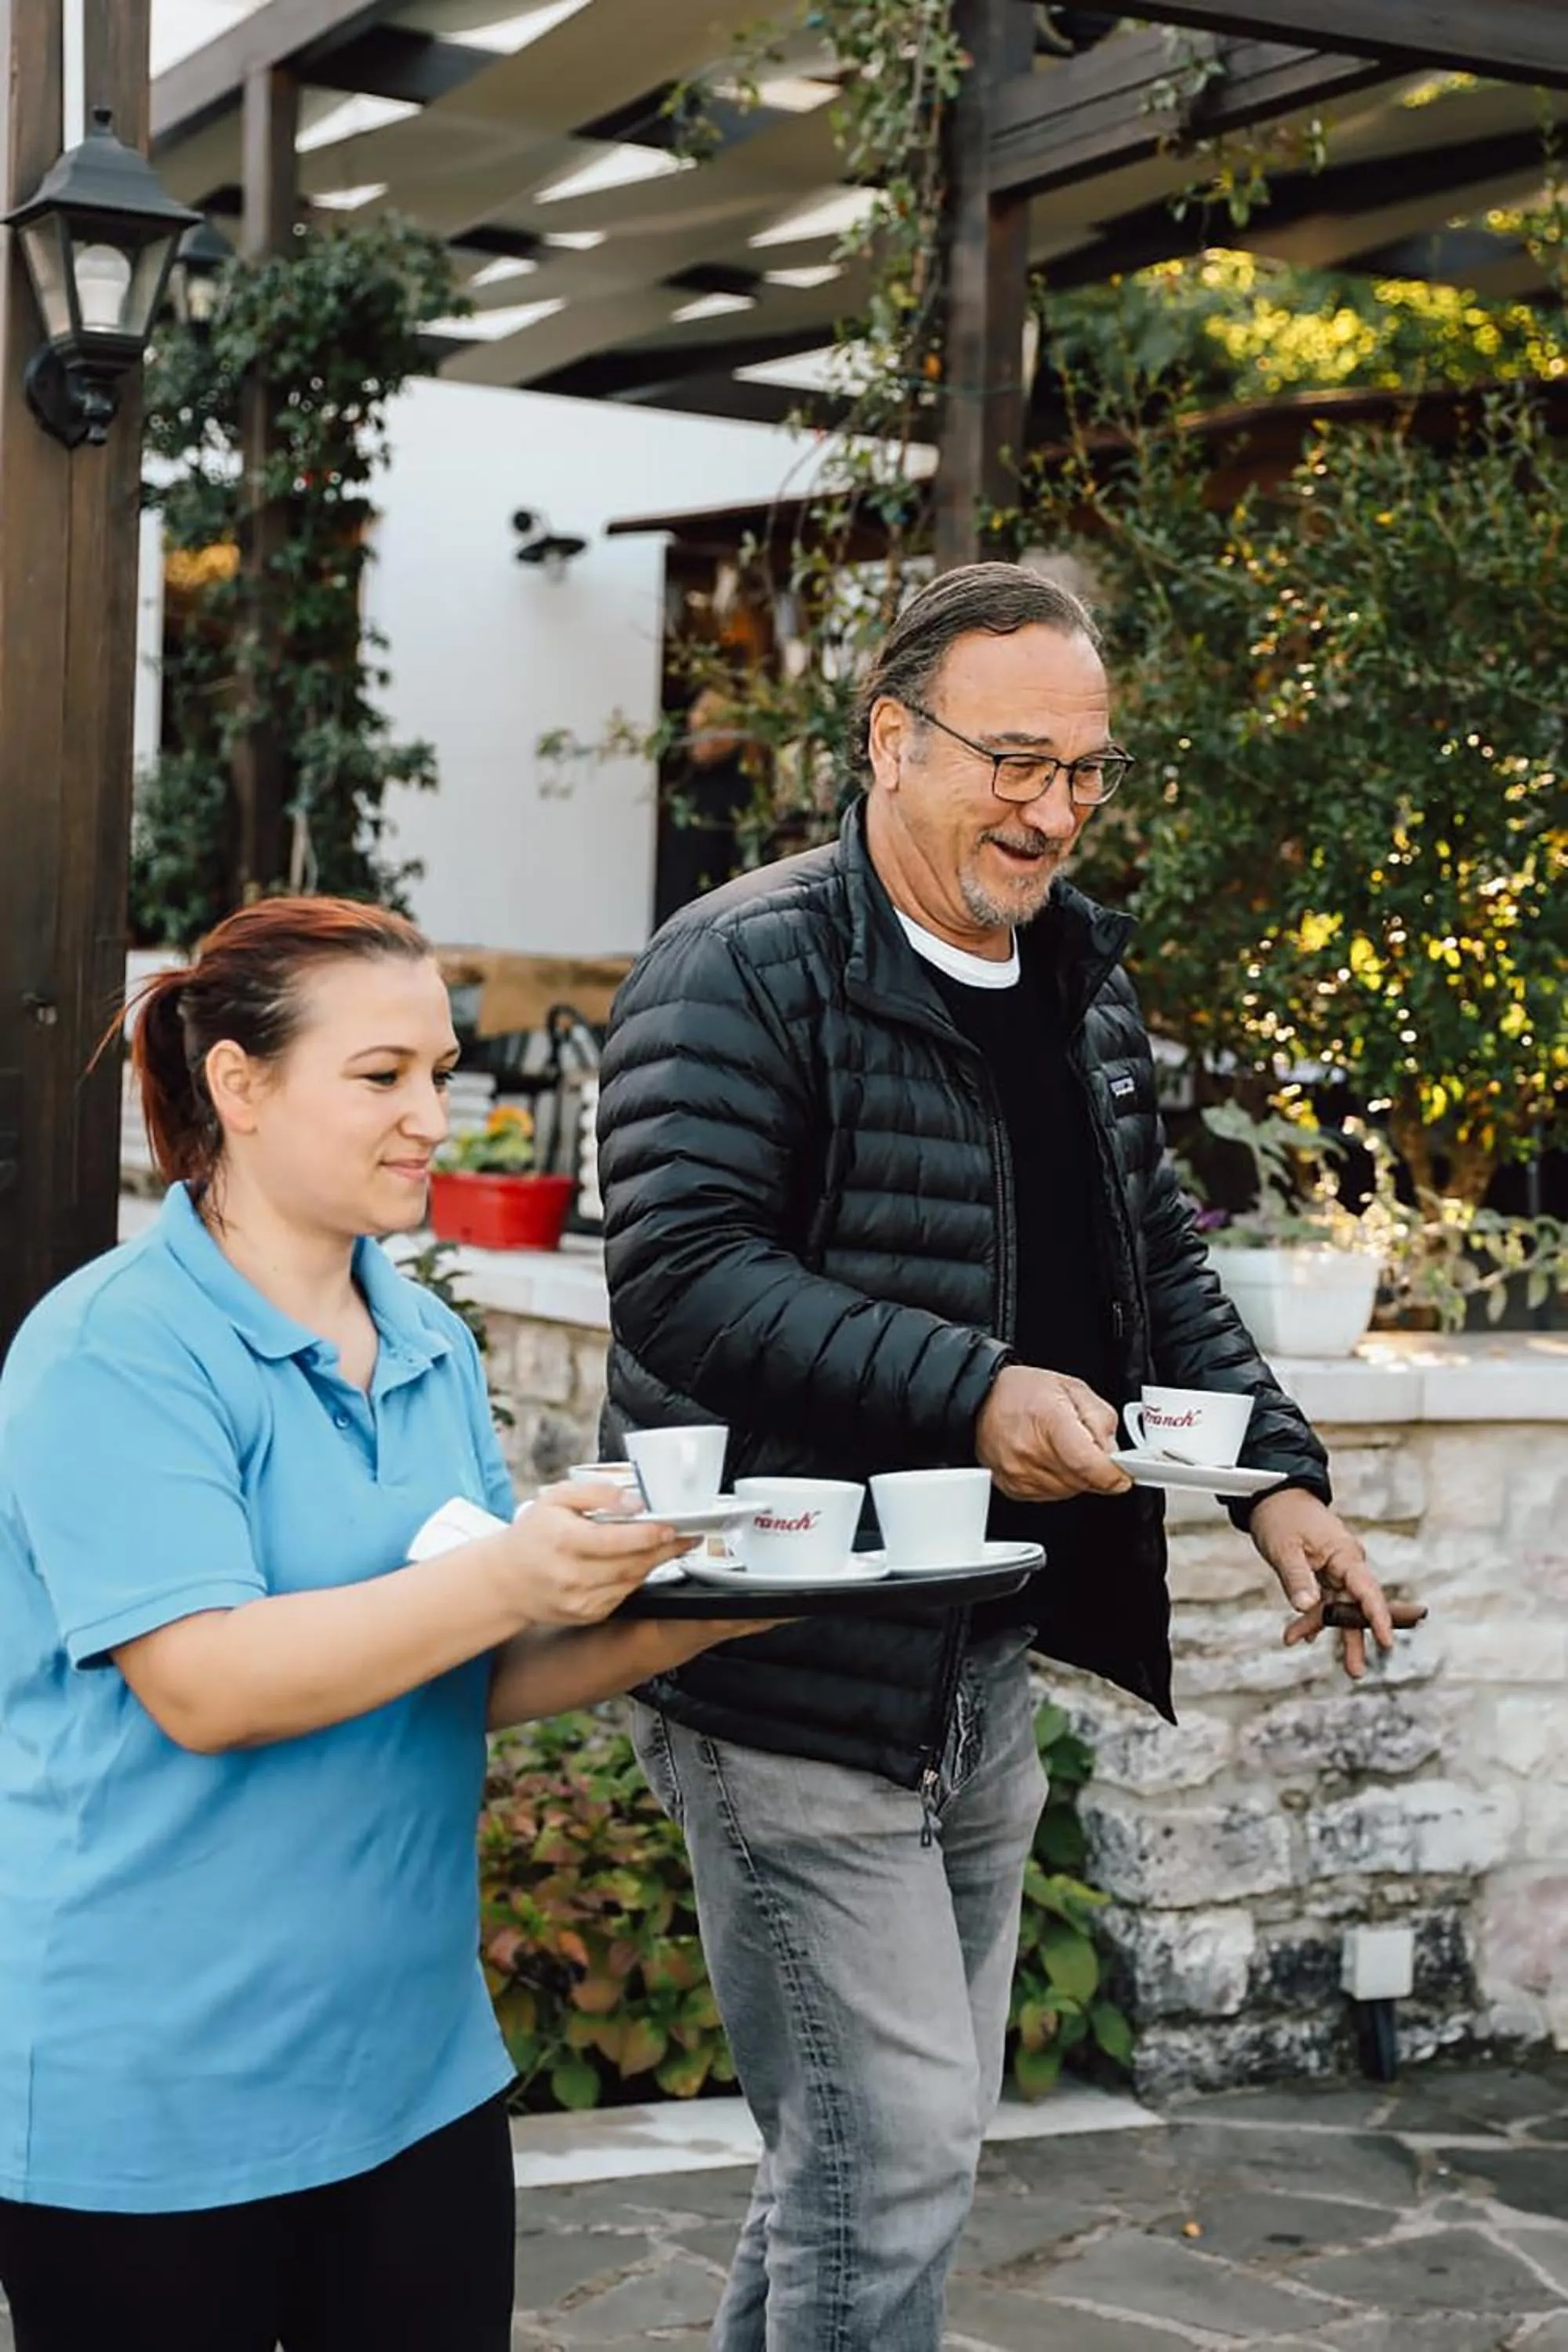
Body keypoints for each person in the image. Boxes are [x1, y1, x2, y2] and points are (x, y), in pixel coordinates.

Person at [595, 562, 1396, 2352]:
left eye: (1087, 771)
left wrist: (1278, 1484)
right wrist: (973, 1389)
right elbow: (683, 1274)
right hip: (778, 1651)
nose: (1053, 811)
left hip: (972, 1650)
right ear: (889, 740)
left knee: (870, 2156)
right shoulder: (739, 966)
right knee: (888, 2163)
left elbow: (1150, 1265)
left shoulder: (1076, 980)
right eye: (1013, 761)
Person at [0, 898, 757, 2352]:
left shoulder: (424, 1340)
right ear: (238, 1084)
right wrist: (516, 1576)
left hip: (411, 2078)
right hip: (151, 2103)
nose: (435, 1114)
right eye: (382, 1075)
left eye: (442, 1069)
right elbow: (207, 1685)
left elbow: (456, 1669)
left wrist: (703, 1606)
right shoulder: (115, 1351)